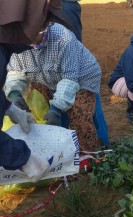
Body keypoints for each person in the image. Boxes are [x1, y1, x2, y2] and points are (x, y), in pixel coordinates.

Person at [6, 11, 102, 152]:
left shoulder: (63, 39)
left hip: (81, 79)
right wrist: (14, 93)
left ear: (44, 29)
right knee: (37, 110)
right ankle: (50, 149)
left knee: (79, 118)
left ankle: (85, 157)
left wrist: (56, 109)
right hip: (45, 77)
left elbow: (69, 79)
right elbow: (15, 71)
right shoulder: (17, 40)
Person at [0, 0, 68, 182]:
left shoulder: (63, 39)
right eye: (41, 22)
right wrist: (23, 159)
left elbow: (71, 77)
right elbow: (15, 72)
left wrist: (8, 108)